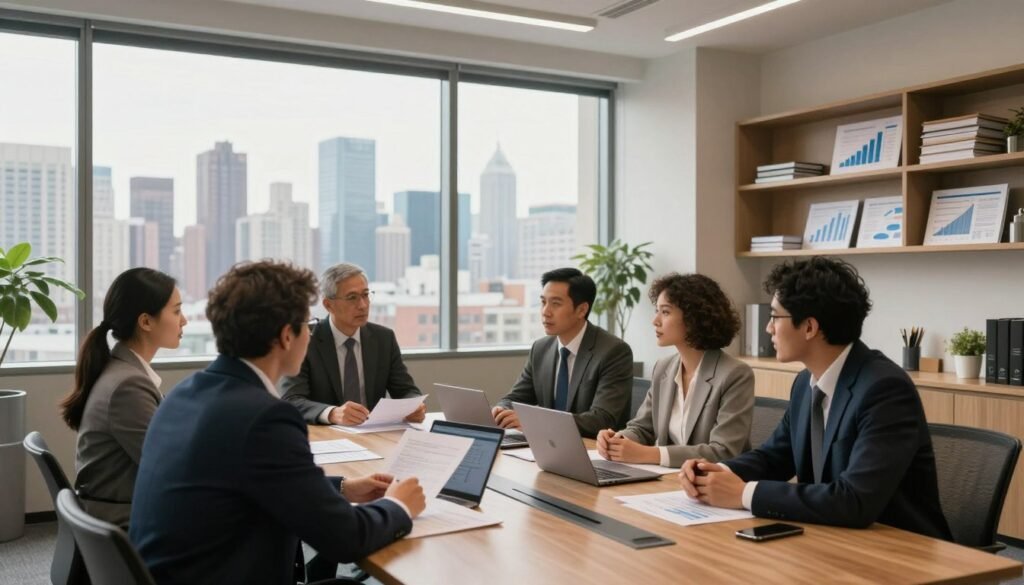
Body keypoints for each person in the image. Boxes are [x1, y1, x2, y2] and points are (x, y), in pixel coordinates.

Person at [130, 261, 425, 585]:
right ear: (287, 336)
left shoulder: (184, 393)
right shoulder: (265, 419)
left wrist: (342, 488)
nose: (311, 331)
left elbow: (253, 480)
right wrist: (399, 507)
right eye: (307, 323)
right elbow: (345, 538)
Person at [679, 257, 951, 539]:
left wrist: (744, 493)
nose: (768, 328)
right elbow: (775, 457)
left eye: (775, 317)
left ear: (809, 327)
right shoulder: (805, 383)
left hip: (901, 550)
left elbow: (855, 500)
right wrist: (712, 471)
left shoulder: (884, 390)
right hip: (835, 540)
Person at [59, 267, 186, 529]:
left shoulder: (120, 370)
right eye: (176, 311)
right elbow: (168, 467)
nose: (184, 320)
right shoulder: (128, 384)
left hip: (115, 511)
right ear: (146, 322)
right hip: (124, 523)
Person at [596, 273, 754, 468]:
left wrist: (649, 454)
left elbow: (723, 451)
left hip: (713, 486)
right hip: (669, 482)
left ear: (694, 318)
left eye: (665, 312)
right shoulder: (664, 368)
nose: (655, 320)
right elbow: (642, 428)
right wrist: (617, 439)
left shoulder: (735, 374)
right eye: (657, 311)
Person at [492, 267, 633, 439]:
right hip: (549, 445)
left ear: (581, 310)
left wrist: (535, 422)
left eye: (556, 304)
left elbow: (601, 419)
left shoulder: (613, 352)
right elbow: (515, 398)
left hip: (593, 451)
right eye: (543, 302)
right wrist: (501, 410)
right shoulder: (540, 349)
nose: (545, 312)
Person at [281, 263, 424, 426]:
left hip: (373, 433)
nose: (363, 305)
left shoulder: (383, 338)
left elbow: (406, 390)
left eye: (365, 295)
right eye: (352, 297)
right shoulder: (306, 340)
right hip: (326, 436)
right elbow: (291, 400)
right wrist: (332, 413)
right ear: (328, 305)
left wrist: (413, 405)